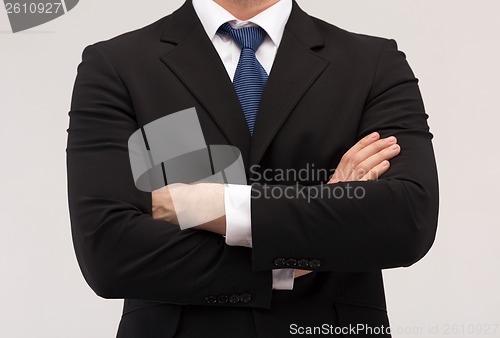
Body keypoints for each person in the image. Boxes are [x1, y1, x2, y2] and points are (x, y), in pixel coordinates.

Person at [66, 0, 439, 337]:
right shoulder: (117, 65)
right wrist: (320, 218)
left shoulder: (373, 62)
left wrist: (203, 204)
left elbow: (406, 220)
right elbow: (108, 251)